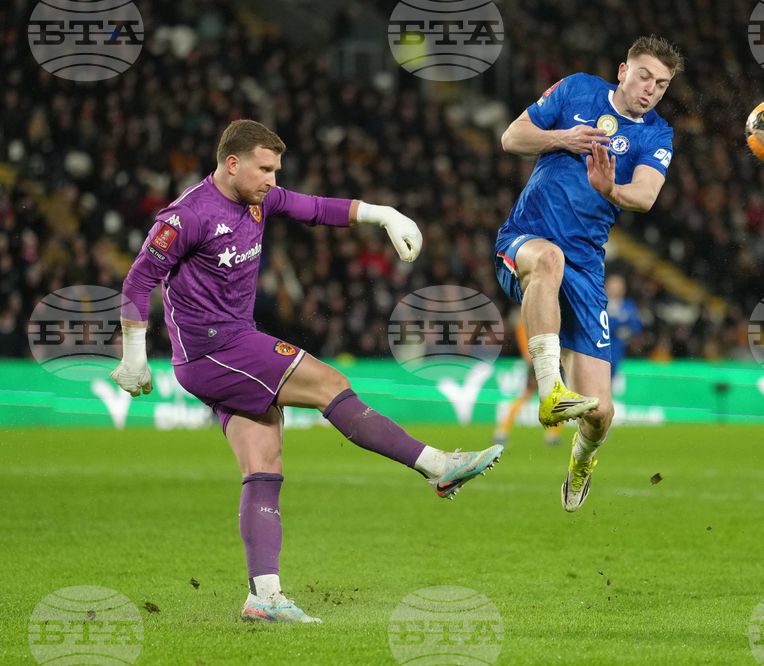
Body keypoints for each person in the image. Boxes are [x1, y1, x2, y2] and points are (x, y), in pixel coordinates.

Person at [110, 120, 504, 624]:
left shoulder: (259, 199)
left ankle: (264, 597)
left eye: (277, 169)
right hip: (216, 350)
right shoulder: (187, 216)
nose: (274, 179)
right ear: (232, 163)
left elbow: (318, 209)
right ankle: (437, 466)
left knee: (264, 466)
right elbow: (138, 279)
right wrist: (134, 356)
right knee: (331, 385)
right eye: (265, 168)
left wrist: (384, 214)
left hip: (225, 350)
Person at [493, 36, 682, 512]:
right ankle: (549, 389)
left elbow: (645, 196)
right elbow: (511, 138)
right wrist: (562, 138)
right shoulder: (576, 90)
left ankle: (580, 463)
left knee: (600, 414)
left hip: (586, 268)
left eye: (661, 84)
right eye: (643, 76)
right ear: (623, 70)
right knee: (549, 260)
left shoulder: (657, 134)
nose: (650, 89)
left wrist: (609, 187)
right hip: (525, 239)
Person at [493, 315, 564, 447]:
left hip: (552, 362)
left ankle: (502, 431)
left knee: (552, 398)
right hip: (544, 362)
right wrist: (528, 353)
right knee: (533, 396)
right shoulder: (539, 316)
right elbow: (521, 327)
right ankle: (502, 431)